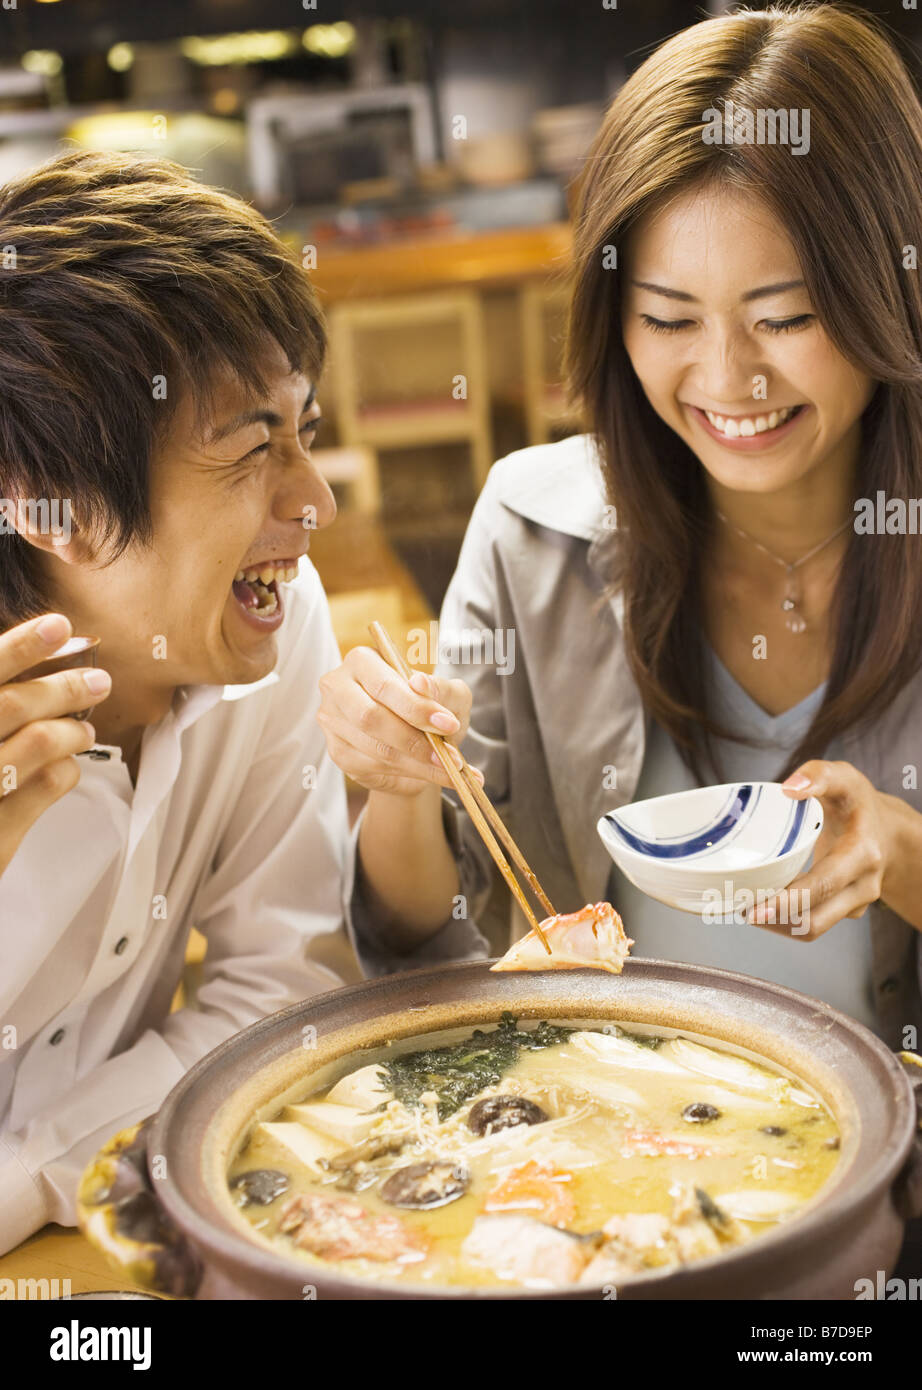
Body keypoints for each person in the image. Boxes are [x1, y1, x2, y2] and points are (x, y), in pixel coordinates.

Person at [319, 2, 922, 1047]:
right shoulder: (530, 532)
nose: (728, 378)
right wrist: (394, 785)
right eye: (668, 319)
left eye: (784, 316)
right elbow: (424, 935)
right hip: (612, 1167)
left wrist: (902, 855)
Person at [0, 150, 474, 1256]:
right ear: (51, 507)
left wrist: (31, 1175)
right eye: (254, 449)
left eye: (301, 431)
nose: (313, 501)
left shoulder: (261, 620)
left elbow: (279, 988)